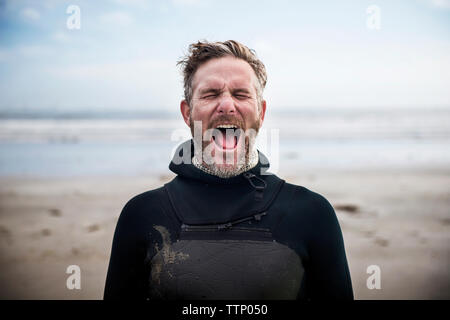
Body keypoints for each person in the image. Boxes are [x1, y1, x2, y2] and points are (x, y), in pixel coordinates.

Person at [103, 40, 354, 300]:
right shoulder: (142, 214)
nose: (226, 105)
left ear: (261, 111)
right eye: (211, 94)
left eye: (240, 94)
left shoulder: (312, 213)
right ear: (187, 113)